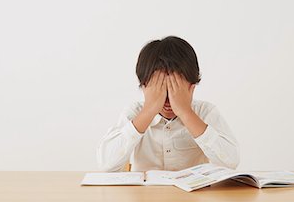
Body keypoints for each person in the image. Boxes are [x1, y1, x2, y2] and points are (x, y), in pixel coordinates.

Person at [96, 36, 240, 172]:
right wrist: (148, 112)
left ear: (192, 88)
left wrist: (185, 112)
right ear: (144, 88)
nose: (168, 100)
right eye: (160, 90)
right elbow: (106, 165)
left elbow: (230, 162)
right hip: (146, 196)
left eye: (175, 90)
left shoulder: (205, 111)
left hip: (192, 196)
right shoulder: (134, 112)